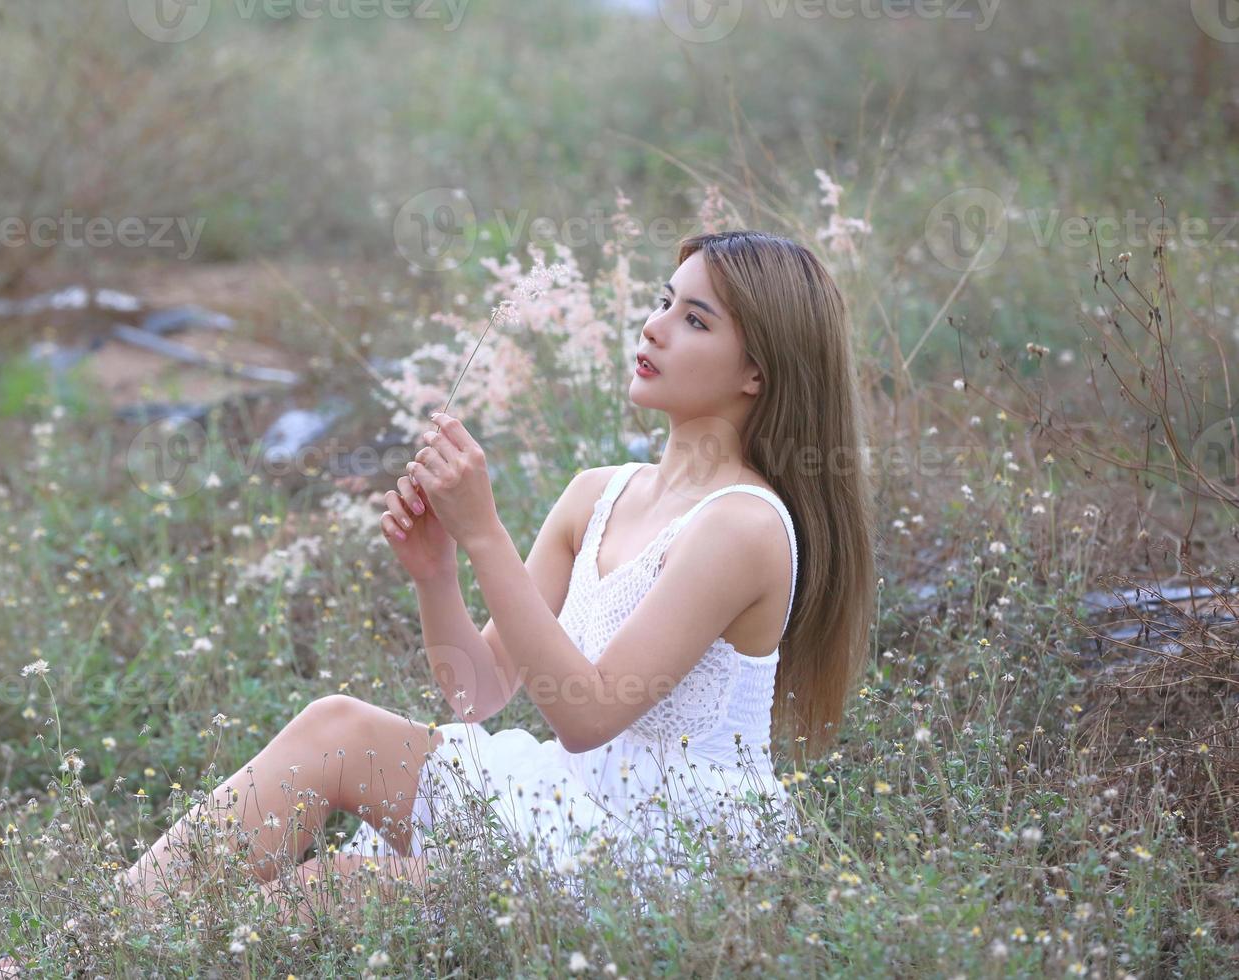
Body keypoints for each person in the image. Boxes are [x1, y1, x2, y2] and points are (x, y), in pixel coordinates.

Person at [110, 229, 878, 925]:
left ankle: (125, 958)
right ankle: (88, 945)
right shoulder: (597, 494)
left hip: (665, 852)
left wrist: (483, 534)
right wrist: (436, 574)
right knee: (334, 726)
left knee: (332, 887)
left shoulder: (740, 524)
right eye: (663, 301)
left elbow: (588, 715)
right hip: (565, 802)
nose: (654, 326)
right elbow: (476, 694)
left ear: (756, 374)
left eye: (696, 320)